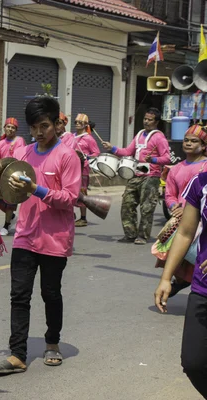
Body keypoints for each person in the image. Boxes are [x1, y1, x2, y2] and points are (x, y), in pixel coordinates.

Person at [0, 96, 81, 375]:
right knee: (19, 295)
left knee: (50, 294)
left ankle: (52, 342)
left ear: (56, 124)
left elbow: (70, 198)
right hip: (25, 236)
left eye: (44, 126)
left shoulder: (67, 156)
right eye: (34, 127)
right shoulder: (24, 153)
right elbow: (11, 188)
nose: (39, 132)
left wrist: (36, 189)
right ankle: (18, 354)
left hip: (55, 238)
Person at [154, 170, 207, 399]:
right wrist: (166, 278)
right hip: (203, 289)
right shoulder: (201, 182)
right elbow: (185, 232)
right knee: (193, 362)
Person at [102, 108, 170, 244]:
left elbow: (167, 158)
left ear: (156, 122)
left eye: (150, 119)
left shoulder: (159, 137)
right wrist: (112, 149)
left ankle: (143, 236)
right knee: (127, 204)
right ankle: (130, 234)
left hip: (151, 176)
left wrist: (154, 160)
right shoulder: (139, 134)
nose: (146, 121)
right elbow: (128, 151)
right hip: (136, 174)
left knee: (147, 208)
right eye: (145, 118)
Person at [156, 125, 207, 297]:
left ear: (204, 145)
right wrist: (173, 207)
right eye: (186, 140)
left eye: (194, 141)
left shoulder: (205, 168)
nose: (189, 144)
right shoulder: (175, 169)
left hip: (201, 220)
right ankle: (179, 282)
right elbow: (170, 195)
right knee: (180, 258)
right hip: (181, 221)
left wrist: (187, 210)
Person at [0, 118, 26, 235]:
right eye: (8, 126)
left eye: (13, 127)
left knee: (10, 201)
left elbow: (19, 156)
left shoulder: (19, 141)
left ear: (16, 130)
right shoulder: (1, 143)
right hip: (1, 176)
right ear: (4, 128)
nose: (10, 129)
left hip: (14, 175)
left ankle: (6, 225)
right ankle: (12, 217)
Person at [70, 114, 100, 227]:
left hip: (83, 169)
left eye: (80, 122)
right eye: (76, 122)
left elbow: (96, 153)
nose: (77, 124)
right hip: (71, 168)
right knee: (70, 191)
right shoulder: (71, 137)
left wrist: (86, 158)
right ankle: (70, 214)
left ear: (85, 124)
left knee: (82, 193)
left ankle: (83, 218)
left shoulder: (88, 138)